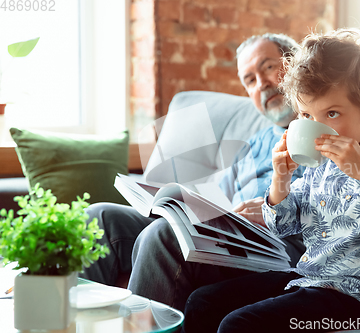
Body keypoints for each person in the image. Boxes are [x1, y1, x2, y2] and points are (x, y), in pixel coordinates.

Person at [181, 29, 360, 333]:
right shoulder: (319, 166)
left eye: (331, 113)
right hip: (308, 281)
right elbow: (283, 227)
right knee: (201, 302)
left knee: (240, 325)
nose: (318, 128)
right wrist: (281, 180)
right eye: (307, 116)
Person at [81, 33, 307, 310]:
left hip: (276, 248)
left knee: (164, 236)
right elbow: (218, 198)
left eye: (269, 67)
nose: (262, 84)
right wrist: (175, 204)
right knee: (99, 217)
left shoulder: (323, 132)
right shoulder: (257, 141)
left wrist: (278, 210)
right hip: (229, 234)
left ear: (295, 63)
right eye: (250, 80)